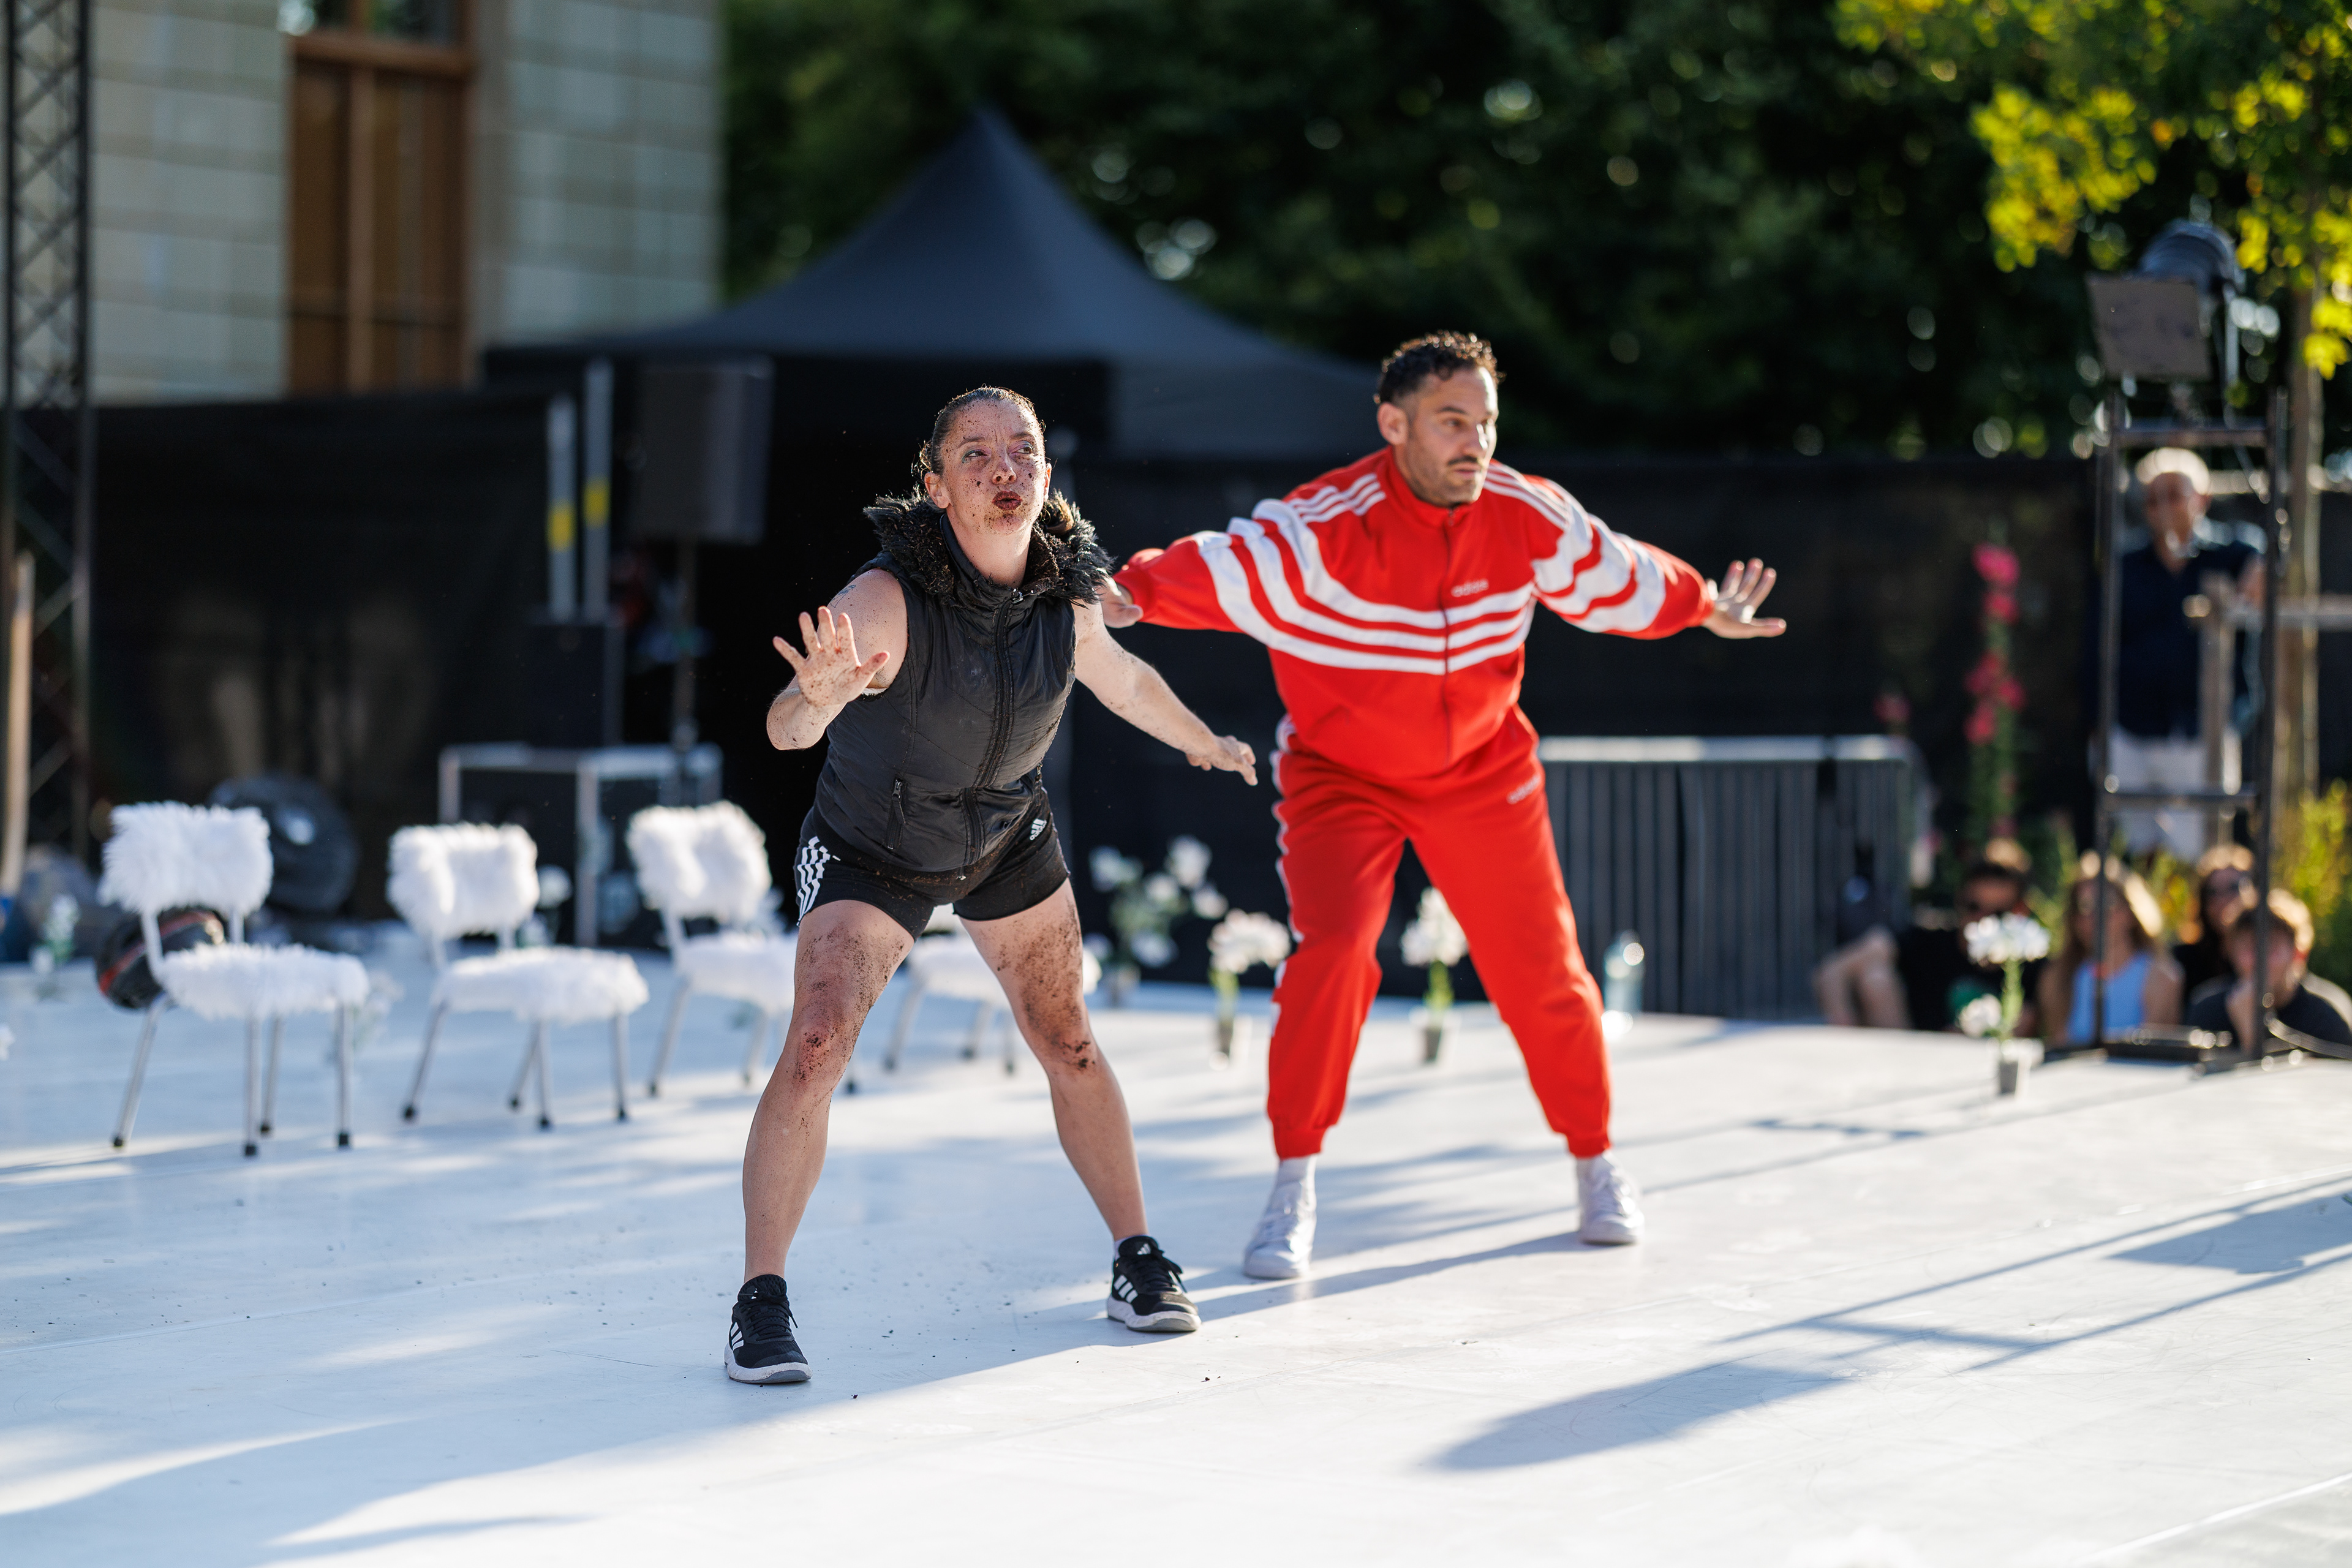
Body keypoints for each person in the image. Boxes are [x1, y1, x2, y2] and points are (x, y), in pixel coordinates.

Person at [1101, 332, 1786, 1273]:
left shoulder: (1524, 514)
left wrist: (1704, 601)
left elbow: (1616, 574)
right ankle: (1293, 1183)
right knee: (1335, 955)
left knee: (1545, 969)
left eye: (1487, 423)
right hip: (1343, 780)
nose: (1476, 442)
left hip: (1482, 774)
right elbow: (1220, 565)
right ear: (1395, 425)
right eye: (1452, 421)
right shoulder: (1322, 528)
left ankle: (1596, 1162)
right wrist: (1120, 595)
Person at [728, 386, 1261, 1384]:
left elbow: (1128, 681)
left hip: (1003, 838)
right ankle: (761, 1300)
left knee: (1069, 1040)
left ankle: (1137, 1258)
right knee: (814, 1043)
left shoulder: (1065, 593)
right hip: (871, 849)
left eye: (1023, 450)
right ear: (935, 486)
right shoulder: (884, 598)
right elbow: (784, 730)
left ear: (1047, 475)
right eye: (976, 455)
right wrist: (819, 696)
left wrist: (1206, 743)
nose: (1005, 468)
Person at [2103, 448, 2261, 859]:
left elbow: (2260, 548)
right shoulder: (2126, 567)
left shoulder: (2228, 555)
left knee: (2201, 850)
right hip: (2133, 727)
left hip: (2201, 730)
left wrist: (2257, 564)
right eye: (2153, 498)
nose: (2163, 507)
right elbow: (2098, 649)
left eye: (2174, 494)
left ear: (2202, 499)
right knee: (2137, 850)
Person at [1812, 854, 2044, 1034]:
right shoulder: (1927, 941)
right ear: (1959, 901)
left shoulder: (2033, 967)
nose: (1982, 921)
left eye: (1998, 914)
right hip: (1908, 1069)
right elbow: (1831, 973)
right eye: (1973, 907)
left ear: (2020, 913)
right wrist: (1845, 1039)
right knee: (1874, 978)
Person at [2184, 888, 2352, 1057]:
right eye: (2249, 947)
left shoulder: (2326, 1016)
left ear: (2297, 953)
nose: (2260, 959)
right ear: (2231, 952)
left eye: (2272, 948)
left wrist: (2252, 1038)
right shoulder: (2206, 1011)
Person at [2036, 861, 2182, 1047]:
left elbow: (2154, 1055)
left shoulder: (2162, 977)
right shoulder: (2057, 977)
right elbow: (2058, 1046)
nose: (2095, 917)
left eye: (2106, 905)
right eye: (2084, 907)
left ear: (2131, 912)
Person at [2171, 843, 2255, 996]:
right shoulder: (2183, 961)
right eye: (2212, 892)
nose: (2223, 900)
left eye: (2234, 888)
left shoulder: (2267, 953)